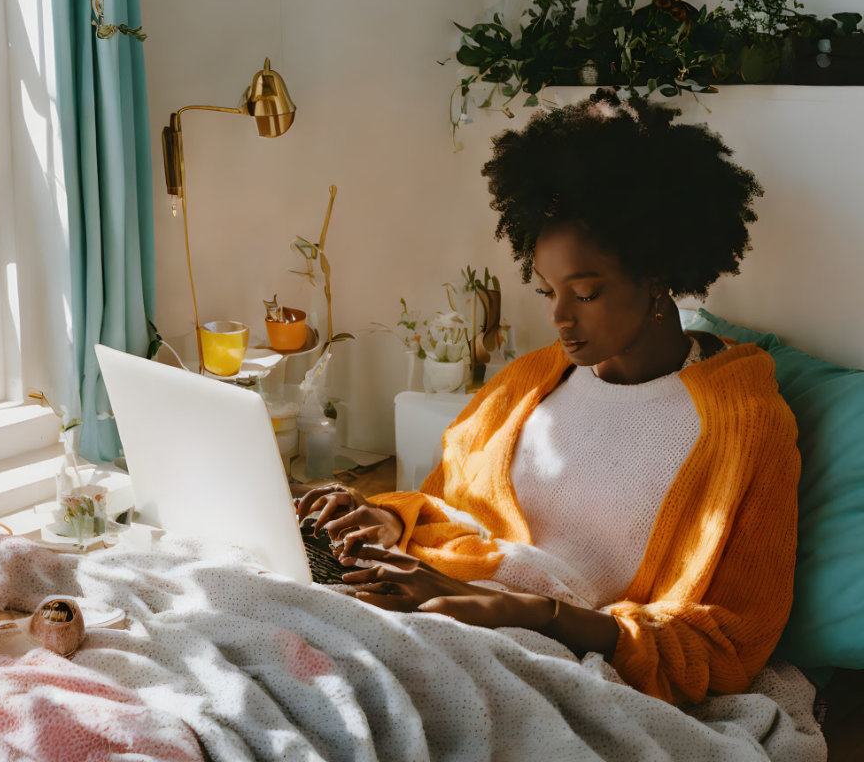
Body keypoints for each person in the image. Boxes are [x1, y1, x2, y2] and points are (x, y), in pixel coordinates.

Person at [297, 91, 800, 706]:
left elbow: (728, 640)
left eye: (584, 293)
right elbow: (445, 502)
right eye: (546, 291)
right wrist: (384, 518)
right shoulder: (533, 378)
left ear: (658, 276)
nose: (560, 317)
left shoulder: (746, 427)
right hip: (434, 597)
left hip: (542, 651)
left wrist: (527, 612)